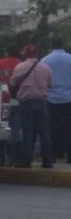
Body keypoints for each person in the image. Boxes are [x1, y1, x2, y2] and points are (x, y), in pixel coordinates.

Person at [11, 44, 54, 168]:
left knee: (27, 131)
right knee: (44, 132)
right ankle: (47, 161)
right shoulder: (46, 68)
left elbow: (13, 82)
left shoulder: (20, 67)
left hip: (26, 102)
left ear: (25, 54)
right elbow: (51, 84)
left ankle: (27, 160)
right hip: (42, 102)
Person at [42, 37, 71, 165]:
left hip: (50, 98)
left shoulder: (45, 60)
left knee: (51, 128)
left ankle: (53, 154)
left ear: (52, 46)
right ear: (63, 45)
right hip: (68, 98)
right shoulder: (70, 59)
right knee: (69, 128)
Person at [0, 46, 22, 165]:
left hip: (0, 101)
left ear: (6, 52)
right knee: (15, 131)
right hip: (17, 100)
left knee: (0, 129)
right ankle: (13, 158)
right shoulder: (21, 65)